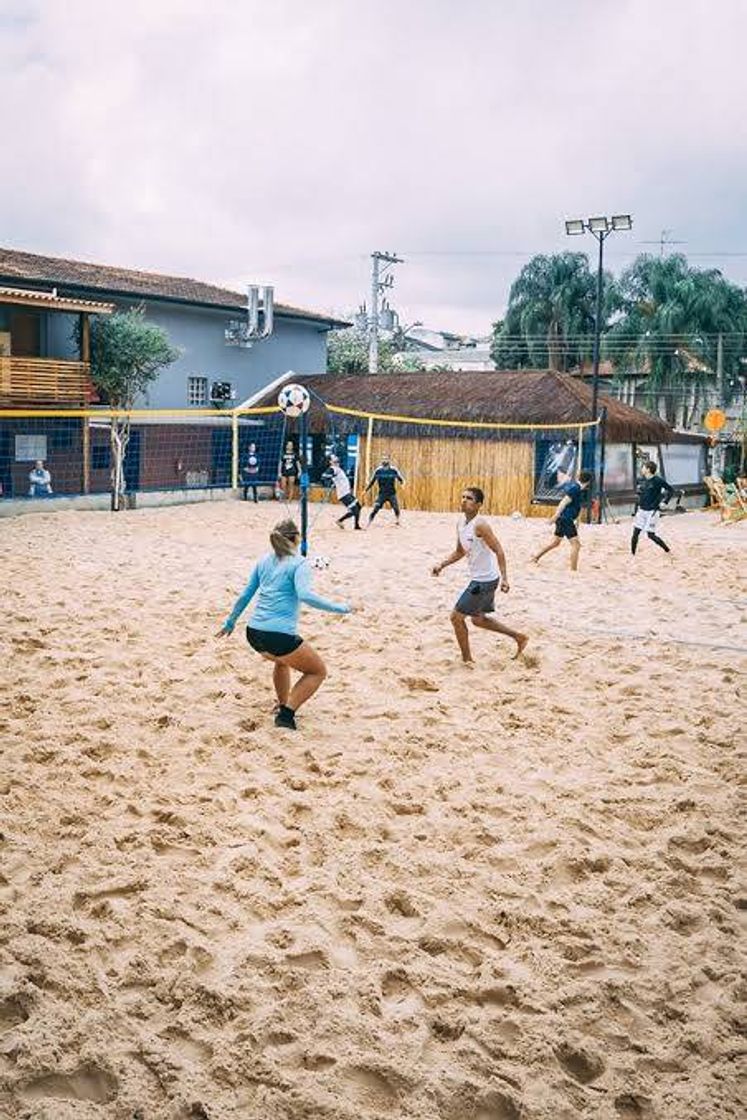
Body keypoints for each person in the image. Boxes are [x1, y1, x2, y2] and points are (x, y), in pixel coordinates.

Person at [217, 518, 351, 730]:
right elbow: (306, 595)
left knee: (282, 661)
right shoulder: (300, 564)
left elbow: (245, 595)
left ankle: (282, 704)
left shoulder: (264, 561)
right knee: (318, 671)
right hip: (277, 636)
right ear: (297, 538)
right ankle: (286, 715)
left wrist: (230, 622)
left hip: (253, 633)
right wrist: (342, 608)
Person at [432, 486, 528, 664]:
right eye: (462, 497)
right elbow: (459, 552)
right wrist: (442, 565)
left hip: (484, 581)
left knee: (456, 617)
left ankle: (467, 660)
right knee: (478, 620)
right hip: (481, 578)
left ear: (478, 505)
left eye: (469, 498)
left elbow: (499, 550)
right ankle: (519, 637)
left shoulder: (481, 525)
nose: (463, 500)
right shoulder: (460, 523)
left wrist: (505, 578)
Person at [531, 469, 593, 572]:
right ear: (589, 481)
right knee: (576, 545)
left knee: (555, 543)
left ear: (579, 477)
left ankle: (536, 557)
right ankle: (573, 571)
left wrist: (577, 520)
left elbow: (576, 506)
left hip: (564, 519)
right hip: (565, 519)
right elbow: (563, 502)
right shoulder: (575, 489)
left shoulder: (579, 489)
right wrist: (555, 516)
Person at [632, 460, 675, 555]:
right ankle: (632, 555)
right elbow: (641, 492)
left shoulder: (658, 480)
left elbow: (671, 490)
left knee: (650, 535)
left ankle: (667, 550)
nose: (641, 469)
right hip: (641, 510)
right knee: (635, 533)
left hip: (652, 512)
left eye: (643, 467)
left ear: (648, 469)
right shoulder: (642, 480)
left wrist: (665, 502)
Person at [365, 454, 405, 527]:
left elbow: (400, 479)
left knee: (396, 507)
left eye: (386, 459)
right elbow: (372, 482)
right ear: (381, 461)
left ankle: (397, 520)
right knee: (376, 508)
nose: (385, 460)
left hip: (392, 493)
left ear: (389, 461)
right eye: (383, 459)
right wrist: (366, 490)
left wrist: (402, 484)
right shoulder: (378, 471)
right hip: (382, 494)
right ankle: (369, 521)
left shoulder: (393, 470)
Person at [327, 454, 362, 529]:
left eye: (336, 456)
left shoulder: (338, 468)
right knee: (355, 510)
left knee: (358, 506)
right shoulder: (333, 468)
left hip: (347, 493)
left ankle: (356, 525)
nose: (336, 457)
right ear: (330, 461)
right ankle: (340, 521)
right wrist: (329, 478)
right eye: (334, 457)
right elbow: (326, 475)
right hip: (343, 494)